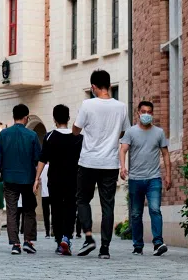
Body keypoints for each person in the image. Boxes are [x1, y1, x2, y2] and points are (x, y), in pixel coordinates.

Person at [73, 70, 130, 259]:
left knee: (82, 199)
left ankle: (89, 236)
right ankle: (105, 248)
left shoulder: (87, 104)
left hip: (88, 161)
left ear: (93, 87)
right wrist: (111, 136)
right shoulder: (121, 107)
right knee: (108, 205)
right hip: (110, 163)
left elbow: (76, 130)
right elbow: (124, 132)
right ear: (109, 85)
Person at [120, 100, 171, 256]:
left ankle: (158, 243)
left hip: (153, 179)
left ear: (152, 114)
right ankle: (138, 246)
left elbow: (165, 154)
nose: (146, 115)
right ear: (138, 113)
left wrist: (168, 175)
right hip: (135, 179)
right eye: (144, 112)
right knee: (136, 214)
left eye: (149, 112)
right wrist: (122, 167)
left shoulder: (159, 132)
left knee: (155, 210)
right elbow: (123, 150)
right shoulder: (131, 132)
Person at [34, 105, 82, 255]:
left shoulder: (49, 137)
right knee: (70, 208)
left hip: (54, 179)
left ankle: (59, 240)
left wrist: (36, 178)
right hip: (73, 179)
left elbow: (42, 159)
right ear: (69, 118)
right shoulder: (78, 137)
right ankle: (67, 237)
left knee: (56, 209)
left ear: (54, 119)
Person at [0, 104, 41, 255]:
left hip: (9, 178)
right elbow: (37, 158)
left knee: (12, 211)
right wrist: (36, 178)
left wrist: (4, 171)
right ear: (26, 117)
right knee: (29, 210)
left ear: (13, 116)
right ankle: (28, 240)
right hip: (27, 178)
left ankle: (15, 243)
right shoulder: (32, 135)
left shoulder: (3, 134)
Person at [40, 163, 51, 238]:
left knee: (46, 214)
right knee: (55, 213)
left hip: (44, 194)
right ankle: (54, 230)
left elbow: (39, 181)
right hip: (53, 193)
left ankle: (47, 232)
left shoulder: (42, 168)